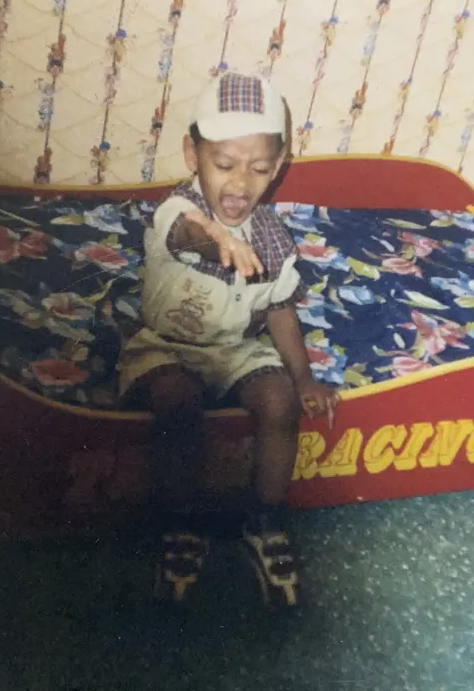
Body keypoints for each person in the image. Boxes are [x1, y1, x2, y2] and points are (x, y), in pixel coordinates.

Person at [118, 72, 339, 607]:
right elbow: (187, 231)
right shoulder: (179, 208)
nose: (241, 183)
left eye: (259, 168)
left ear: (279, 167)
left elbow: (281, 308)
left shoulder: (271, 235)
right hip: (166, 344)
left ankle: (264, 521)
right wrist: (218, 237)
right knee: (179, 402)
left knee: (280, 401)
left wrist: (304, 376)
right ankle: (181, 525)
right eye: (225, 165)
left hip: (237, 347)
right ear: (193, 155)